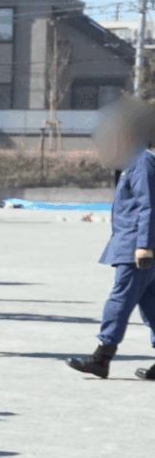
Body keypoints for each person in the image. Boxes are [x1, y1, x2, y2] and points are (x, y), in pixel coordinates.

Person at [67, 145, 155, 379]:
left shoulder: (141, 161)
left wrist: (144, 245)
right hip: (138, 242)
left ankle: (102, 356)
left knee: (120, 297)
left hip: (137, 244)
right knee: (151, 303)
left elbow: (147, 205)